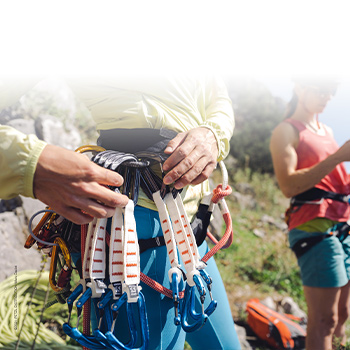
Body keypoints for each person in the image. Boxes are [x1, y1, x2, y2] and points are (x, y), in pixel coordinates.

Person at [0, 75, 241, 350]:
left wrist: (213, 134)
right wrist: (32, 165)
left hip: (191, 229)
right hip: (133, 229)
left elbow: (216, 92)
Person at [269, 77, 350, 350]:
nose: (327, 97)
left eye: (331, 92)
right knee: (324, 320)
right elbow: (289, 185)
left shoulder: (326, 131)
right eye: (320, 89)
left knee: (342, 314)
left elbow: (334, 181)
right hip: (315, 226)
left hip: (344, 224)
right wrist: (338, 157)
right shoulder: (287, 130)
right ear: (299, 87)